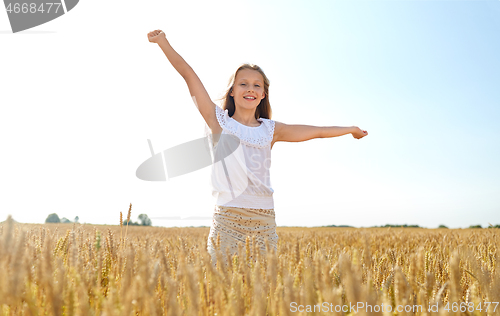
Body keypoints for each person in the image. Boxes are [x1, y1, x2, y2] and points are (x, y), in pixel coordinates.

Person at [147, 29, 368, 267]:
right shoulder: (218, 121)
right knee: (219, 290)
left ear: (263, 94)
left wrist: (350, 129)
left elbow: (317, 131)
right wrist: (163, 42)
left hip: (264, 220)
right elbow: (189, 75)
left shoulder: (270, 130)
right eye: (243, 84)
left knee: (263, 292)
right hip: (227, 220)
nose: (250, 89)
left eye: (256, 85)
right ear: (232, 91)